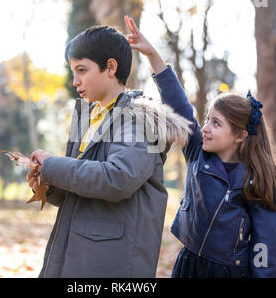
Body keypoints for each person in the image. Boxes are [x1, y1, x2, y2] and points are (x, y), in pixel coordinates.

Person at [124, 15, 276, 278]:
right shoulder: (198, 152)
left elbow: (265, 249)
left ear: (240, 135)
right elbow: (178, 104)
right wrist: (152, 54)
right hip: (189, 263)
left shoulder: (258, 182)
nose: (206, 127)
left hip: (228, 273)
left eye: (216, 123)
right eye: (207, 119)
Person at [26, 25, 192, 277]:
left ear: (110, 67)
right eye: (73, 72)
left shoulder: (138, 118)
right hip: (76, 258)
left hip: (110, 265)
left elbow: (117, 179)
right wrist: (48, 182)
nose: (75, 81)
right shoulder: (87, 118)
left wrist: (53, 165)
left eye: (82, 70)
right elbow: (80, 188)